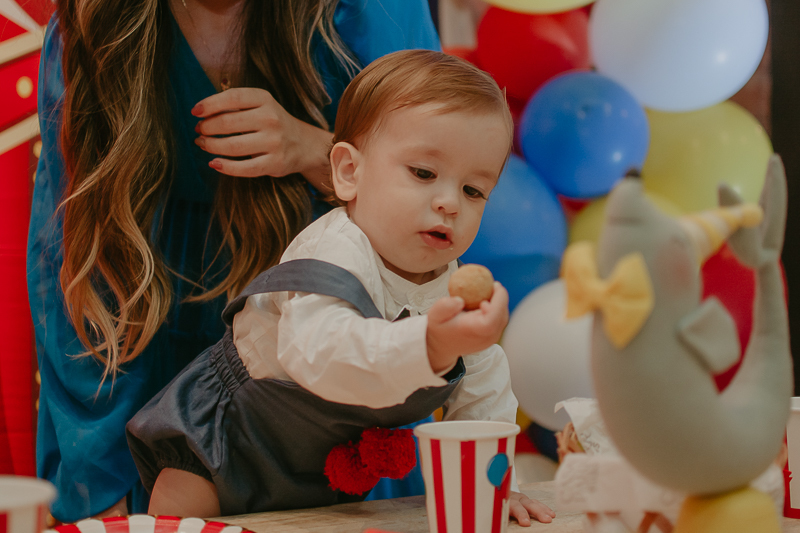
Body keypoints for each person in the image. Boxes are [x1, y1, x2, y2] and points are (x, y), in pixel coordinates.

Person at [27, 0, 441, 523]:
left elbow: (436, 188)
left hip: (315, 352)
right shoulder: (90, 23)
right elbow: (74, 263)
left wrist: (313, 149)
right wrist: (100, 490)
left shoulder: (371, 11)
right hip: (138, 361)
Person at [126, 49, 556, 526]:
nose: (449, 202)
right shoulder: (333, 251)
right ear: (350, 172)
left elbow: (480, 381)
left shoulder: (447, 280)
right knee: (180, 518)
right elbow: (321, 356)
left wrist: (494, 487)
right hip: (226, 441)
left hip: (321, 464)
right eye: (423, 173)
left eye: (473, 190)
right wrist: (431, 344)